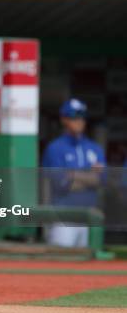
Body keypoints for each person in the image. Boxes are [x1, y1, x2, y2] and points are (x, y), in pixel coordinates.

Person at [42, 98, 106, 248]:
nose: (79, 120)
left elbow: (102, 180)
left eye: (82, 116)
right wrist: (89, 177)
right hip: (64, 218)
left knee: (89, 268)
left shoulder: (94, 148)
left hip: (89, 217)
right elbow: (61, 184)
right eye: (74, 116)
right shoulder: (55, 148)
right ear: (63, 119)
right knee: (60, 266)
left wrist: (73, 174)